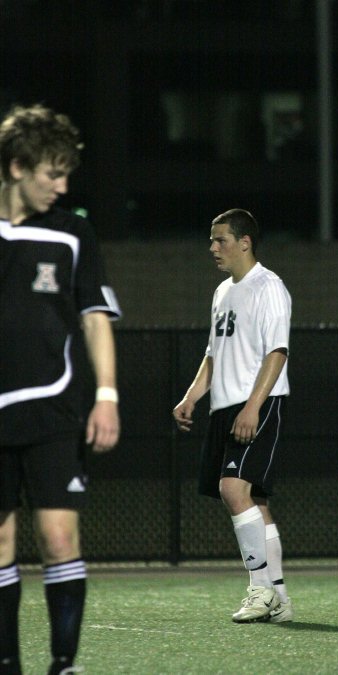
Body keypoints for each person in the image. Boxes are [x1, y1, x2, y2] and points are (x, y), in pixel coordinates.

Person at [0, 104, 121, 675]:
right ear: (18, 166)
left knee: (56, 536)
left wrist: (107, 396)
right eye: (53, 172)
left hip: (54, 407)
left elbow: (95, 316)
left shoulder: (73, 231)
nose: (63, 184)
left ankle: (63, 665)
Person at [173, 208, 293, 623]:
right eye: (212, 239)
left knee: (233, 490)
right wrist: (191, 397)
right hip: (226, 408)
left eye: (220, 239)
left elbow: (277, 352)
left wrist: (253, 407)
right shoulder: (223, 291)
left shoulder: (269, 287)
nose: (213, 247)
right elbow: (213, 353)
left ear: (245, 242)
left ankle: (260, 589)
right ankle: (279, 597)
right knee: (254, 501)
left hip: (256, 405)